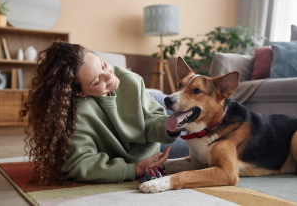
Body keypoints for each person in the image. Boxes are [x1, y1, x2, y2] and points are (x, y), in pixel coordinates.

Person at [21, 41, 184, 185]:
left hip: (154, 107)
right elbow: (79, 164)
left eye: (102, 64)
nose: (110, 76)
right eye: (97, 81)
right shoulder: (74, 115)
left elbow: (151, 119)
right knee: (202, 149)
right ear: (81, 93)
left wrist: (168, 127)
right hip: (150, 152)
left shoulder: (128, 79)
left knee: (204, 122)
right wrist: (133, 170)